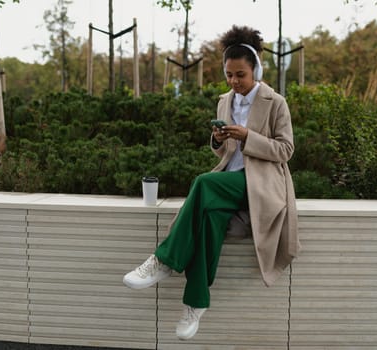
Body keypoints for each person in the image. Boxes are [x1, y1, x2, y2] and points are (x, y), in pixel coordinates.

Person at [123, 25, 300, 341]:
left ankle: (163, 260)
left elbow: (286, 150)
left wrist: (249, 137)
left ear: (255, 71)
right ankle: (196, 304)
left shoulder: (276, 102)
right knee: (208, 220)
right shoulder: (224, 101)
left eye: (240, 75)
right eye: (229, 75)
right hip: (230, 179)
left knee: (203, 183)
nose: (234, 81)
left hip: (261, 183)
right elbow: (224, 151)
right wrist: (218, 139)